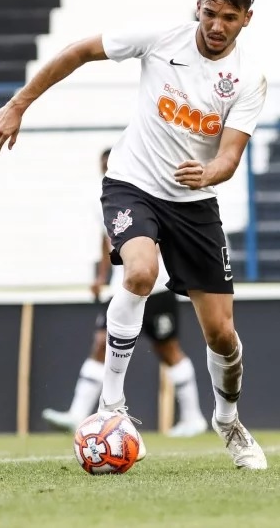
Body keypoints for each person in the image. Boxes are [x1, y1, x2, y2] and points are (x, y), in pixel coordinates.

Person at [0, 0, 268, 469]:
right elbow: (78, 51)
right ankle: (112, 404)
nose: (216, 25)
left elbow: (229, 155)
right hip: (131, 183)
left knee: (221, 333)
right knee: (139, 270)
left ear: (247, 18)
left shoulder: (247, 79)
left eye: (228, 16)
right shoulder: (161, 39)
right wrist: (18, 104)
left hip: (194, 202)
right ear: (196, 6)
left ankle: (228, 421)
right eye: (209, 12)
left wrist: (211, 174)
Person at [42, 149, 208, 438]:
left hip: (155, 286)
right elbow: (106, 240)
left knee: (168, 350)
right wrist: (101, 277)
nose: (108, 172)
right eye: (103, 168)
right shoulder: (105, 201)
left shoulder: (147, 192)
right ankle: (77, 414)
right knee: (101, 342)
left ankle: (194, 418)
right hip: (123, 286)